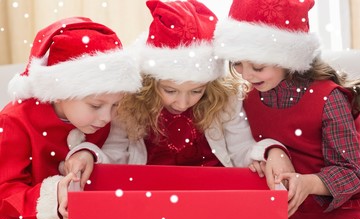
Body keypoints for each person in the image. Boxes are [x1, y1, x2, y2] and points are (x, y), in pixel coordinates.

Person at [63, 0, 294, 188]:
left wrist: (269, 151)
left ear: (210, 84)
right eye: (170, 90)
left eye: (196, 91)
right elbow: (115, 154)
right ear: (151, 83)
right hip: (151, 191)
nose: (183, 102)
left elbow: (241, 148)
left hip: (214, 188)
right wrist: (89, 154)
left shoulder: (224, 101)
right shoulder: (132, 104)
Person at [213, 0, 360, 219]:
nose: (246, 75)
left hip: (332, 217)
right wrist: (264, 156)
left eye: (258, 67)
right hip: (280, 215)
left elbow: (353, 173)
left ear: (288, 59)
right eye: (237, 63)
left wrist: (310, 183)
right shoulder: (249, 99)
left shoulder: (328, 98)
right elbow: (245, 148)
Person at [0, 17, 141, 219]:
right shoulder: (15, 121)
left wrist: (90, 154)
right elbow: (4, 191)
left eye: (116, 105)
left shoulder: (104, 119)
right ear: (60, 92)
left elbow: (121, 161)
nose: (106, 117)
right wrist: (52, 197)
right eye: (96, 105)